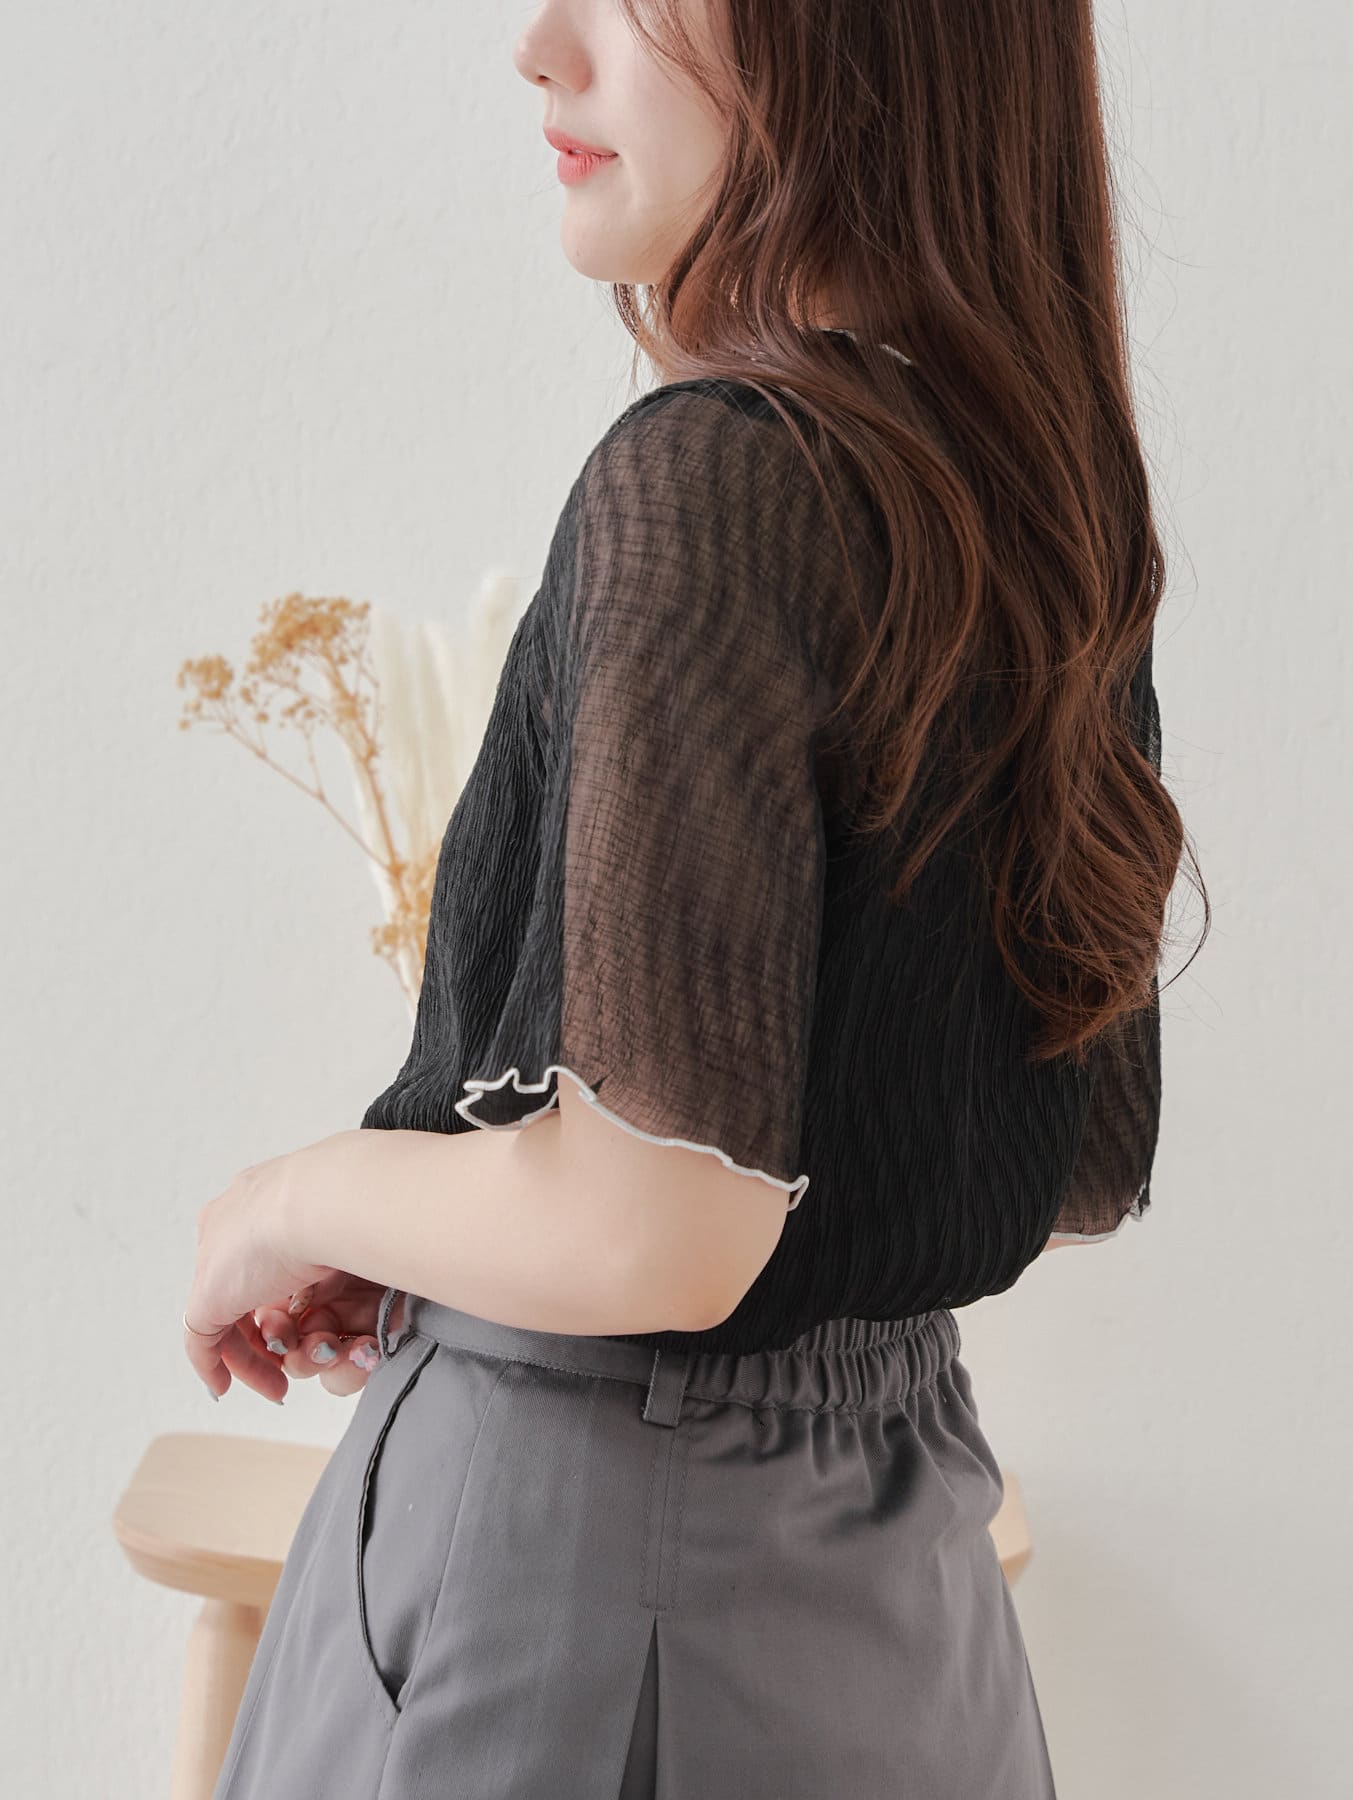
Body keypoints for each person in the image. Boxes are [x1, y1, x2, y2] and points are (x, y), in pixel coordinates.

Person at [185, 1, 1196, 1794]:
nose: (542, 46)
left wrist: (287, 1199)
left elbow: (650, 1222)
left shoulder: (712, 475)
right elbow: (1074, 1164)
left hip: (578, 1563)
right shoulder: (1032, 503)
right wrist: (440, 1224)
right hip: (903, 1573)